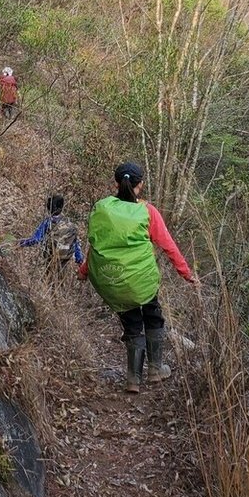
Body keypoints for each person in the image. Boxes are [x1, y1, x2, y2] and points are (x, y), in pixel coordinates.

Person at [78, 161, 197, 394]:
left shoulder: (103, 209)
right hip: (141, 281)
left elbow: (95, 245)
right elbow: (168, 246)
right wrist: (187, 274)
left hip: (112, 282)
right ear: (140, 184)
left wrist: (83, 271)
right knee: (153, 316)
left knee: (132, 324)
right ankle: (154, 369)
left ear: (116, 183)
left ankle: (133, 380)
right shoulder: (147, 211)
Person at [20, 195, 84, 277]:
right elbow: (76, 244)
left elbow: (36, 239)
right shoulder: (70, 224)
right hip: (65, 257)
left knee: (49, 276)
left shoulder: (48, 222)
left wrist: (22, 243)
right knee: (60, 278)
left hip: (51, 255)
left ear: (49, 208)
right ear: (61, 207)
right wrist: (80, 261)